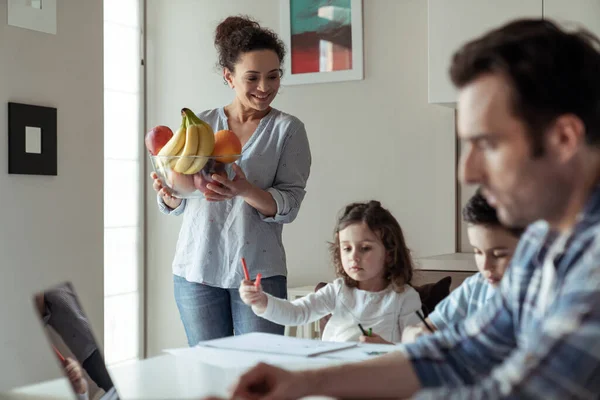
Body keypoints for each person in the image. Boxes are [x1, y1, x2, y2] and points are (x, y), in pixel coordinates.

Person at [217, 19, 600, 399]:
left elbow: (513, 393)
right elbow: (461, 355)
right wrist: (307, 384)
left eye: (487, 144)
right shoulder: (542, 241)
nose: (466, 170)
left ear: (564, 138)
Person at [151, 15, 311, 345]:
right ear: (229, 76)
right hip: (196, 270)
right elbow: (180, 196)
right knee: (210, 378)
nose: (264, 87)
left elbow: (290, 205)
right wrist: (168, 194)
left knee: (261, 379)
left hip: (259, 273)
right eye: (252, 77)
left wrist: (244, 190)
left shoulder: (288, 130)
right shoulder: (199, 125)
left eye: (273, 76)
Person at [239, 200, 421, 344]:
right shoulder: (338, 290)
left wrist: (388, 349)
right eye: (346, 248)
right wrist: (262, 302)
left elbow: (417, 349)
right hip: (332, 373)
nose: (354, 257)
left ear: (389, 253)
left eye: (365, 248)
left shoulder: (403, 298)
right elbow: (297, 312)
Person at [402, 190, 522, 342]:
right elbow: (416, 330)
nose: (485, 266)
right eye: (478, 252)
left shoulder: (547, 297)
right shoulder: (476, 287)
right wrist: (417, 334)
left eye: (498, 255)